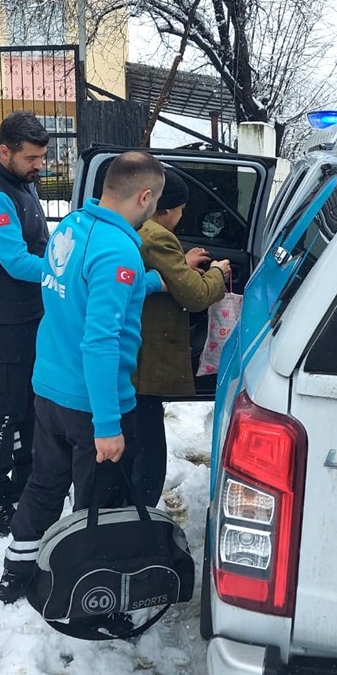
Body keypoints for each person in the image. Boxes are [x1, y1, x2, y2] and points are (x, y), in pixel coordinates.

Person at [0, 150, 166, 603]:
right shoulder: (118, 249)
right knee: (100, 505)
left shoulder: (71, 227)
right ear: (144, 196)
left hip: (50, 391)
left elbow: (80, 291)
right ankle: (89, 589)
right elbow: (100, 341)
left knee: (44, 483)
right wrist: (108, 426)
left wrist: (148, 282)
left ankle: (18, 570)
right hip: (92, 407)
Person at [0, 112, 50, 534]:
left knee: (32, 404)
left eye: (42, 157)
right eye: (33, 158)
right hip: (2, 317)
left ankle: (25, 482)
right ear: (5, 151)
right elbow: (17, 262)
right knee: (7, 410)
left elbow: (40, 242)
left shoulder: (21, 184)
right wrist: (64, 272)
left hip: (31, 312)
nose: (40, 166)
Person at [132, 170, 231, 505]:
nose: (182, 216)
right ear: (167, 210)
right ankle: (138, 517)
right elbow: (196, 295)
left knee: (140, 438)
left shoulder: (141, 229)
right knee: (147, 452)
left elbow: (166, 272)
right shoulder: (159, 236)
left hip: (134, 355)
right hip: (145, 361)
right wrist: (218, 273)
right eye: (182, 209)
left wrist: (182, 264)